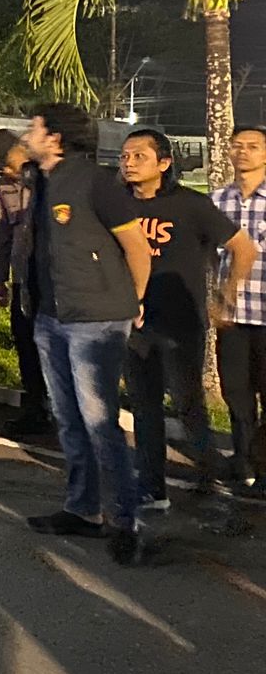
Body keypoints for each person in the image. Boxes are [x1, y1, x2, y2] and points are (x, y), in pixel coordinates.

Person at [20, 103, 151, 564]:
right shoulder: (41, 181)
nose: (27, 135)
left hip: (96, 319)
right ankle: (83, 508)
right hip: (51, 315)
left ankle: (125, 520)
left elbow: (137, 248)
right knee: (68, 417)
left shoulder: (96, 182)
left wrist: (134, 301)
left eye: (34, 128)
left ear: (55, 138)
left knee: (99, 422)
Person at [122, 128, 254, 510]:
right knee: (144, 405)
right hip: (133, 321)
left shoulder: (190, 205)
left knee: (188, 404)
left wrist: (226, 297)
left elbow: (243, 248)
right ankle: (152, 488)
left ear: (164, 163)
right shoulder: (118, 204)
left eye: (139, 156)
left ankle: (211, 474)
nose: (129, 163)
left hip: (180, 322)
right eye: (125, 156)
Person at [212, 124, 266, 499]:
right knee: (236, 394)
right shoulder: (216, 201)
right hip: (232, 317)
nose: (243, 151)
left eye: (253, 146)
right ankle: (244, 462)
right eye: (237, 145)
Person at [0, 142, 52, 439]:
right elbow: (0, 235)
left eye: (7, 161)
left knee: (53, 350)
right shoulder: (6, 188)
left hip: (54, 283)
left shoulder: (51, 183)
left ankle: (63, 411)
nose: (3, 169)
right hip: (23, 281)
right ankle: (35, 409)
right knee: (25, 345)